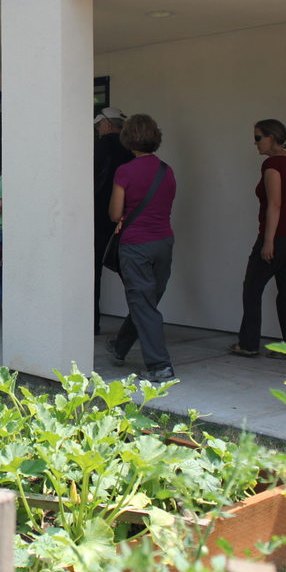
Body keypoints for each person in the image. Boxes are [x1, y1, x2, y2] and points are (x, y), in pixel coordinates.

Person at [103, 114, 177, 382]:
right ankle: (121, 346)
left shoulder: (125, 171)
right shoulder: (166, 170)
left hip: (136, 244)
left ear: (128, 139)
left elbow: (114, 213)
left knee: (143, 303)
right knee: (147, 300)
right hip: (163, 242)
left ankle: (159, 365)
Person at [228, 120, 286, 358]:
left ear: (271, 137)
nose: (255, 143)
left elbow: (275, 204)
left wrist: (268, 241)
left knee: (252, 287)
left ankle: (249, 343)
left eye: (258, 137)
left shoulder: (272, 165)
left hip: (279, 236)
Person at [94, 107, 133, 335]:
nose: (98, 130)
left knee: (93, 272)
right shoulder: (130, 151)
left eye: (98, 126)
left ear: (107, 124)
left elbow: (93, 179)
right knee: (128, 272)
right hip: (125, 219)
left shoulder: (102, 146)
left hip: (100, 216)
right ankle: (138, 320)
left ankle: (92, 322)